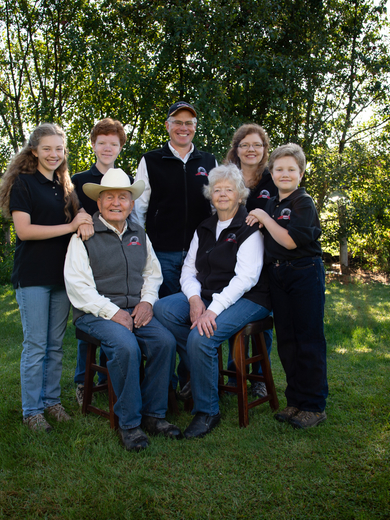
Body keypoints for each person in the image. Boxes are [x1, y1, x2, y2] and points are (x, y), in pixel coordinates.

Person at [64, 168, 181, 452]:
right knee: (127, 347)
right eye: (109, 197)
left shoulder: (139, 233)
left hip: (134, 309)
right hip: (94, 314)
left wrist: (146, 302)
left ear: (131, 203)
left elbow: (152, 273)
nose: (116, 203)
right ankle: (129, 424)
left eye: (123, 198)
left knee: (164, 342)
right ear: (100, 202)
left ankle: (155, 415)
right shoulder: (84, 235)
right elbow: (78, 287)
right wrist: (112, 312)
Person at [154, 164, 270, 439]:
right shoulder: (204, 227)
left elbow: (246, 279)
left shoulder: (248, 228)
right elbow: (188, 270)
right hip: (207, 294)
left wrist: (211, 311)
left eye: (229, 189)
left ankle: (208, 411)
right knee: (163, 310)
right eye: (217, 189)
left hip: (249, 297)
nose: (222, 194)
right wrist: (194, 300)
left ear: (240, 195)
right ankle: (204, 370)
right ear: (210, 195)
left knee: (202, 339)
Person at [0, 123, 94, 433]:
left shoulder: (65, 187)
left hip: (61, 276)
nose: (54, 154)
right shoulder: (23, 184)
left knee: (54, 345)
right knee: (36, 345)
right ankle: (32, 410)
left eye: (59, 149)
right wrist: (70, 226)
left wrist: (84, 221)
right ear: (34, 151)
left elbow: (81, 221)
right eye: (47, 148)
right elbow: (23, 231)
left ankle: (52, 401)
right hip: (33, 276)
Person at [133, 101, 217, 395]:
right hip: (163, 254)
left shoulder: (208, 161)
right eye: (177, 122)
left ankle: (190, 379)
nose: (184, 128)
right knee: (165, 320)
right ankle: (164, 385)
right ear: (167, 125)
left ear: (195, 128)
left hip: (199, 257)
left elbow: (216, 206)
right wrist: (144, 247)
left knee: (194, 316)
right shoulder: (151, 160)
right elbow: (138, 209)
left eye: (189, 123)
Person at [246, 143, 328, 429]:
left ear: (301, 173)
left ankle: (314, 405)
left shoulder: (302, 203)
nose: (284, 174)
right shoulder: (273, 204)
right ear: (272, 172)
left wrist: (264, 216)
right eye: (279, 169)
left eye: (291, 169)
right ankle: (295, 401)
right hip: (278, 277)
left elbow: (290, 241)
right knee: (288, 342)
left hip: (304, 274)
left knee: (308, 341)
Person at [71, 118, 131, 407]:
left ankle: (109, 379)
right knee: (92, 313)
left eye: (114, 143)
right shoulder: (80, 180)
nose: (108, 148)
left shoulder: (124, 177)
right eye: (102, 142)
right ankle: (83, 381)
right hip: (89, 253)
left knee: (117, 313)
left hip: (117, 255)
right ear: (93, 145)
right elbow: (75, 214)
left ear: (120, 148)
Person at [223, 124, 278, 399]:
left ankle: (257, 376)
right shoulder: (228, 178)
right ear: (237, 149)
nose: (251, 150)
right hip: (232, 257)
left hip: (266, 257)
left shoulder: (273, 179)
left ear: (264, 150)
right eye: (245, 145)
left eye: (257, 145)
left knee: (259, 315)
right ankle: (235, 372)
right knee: (233, 307)